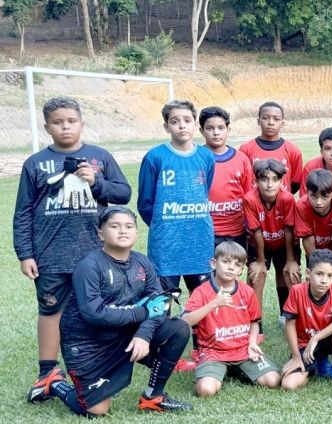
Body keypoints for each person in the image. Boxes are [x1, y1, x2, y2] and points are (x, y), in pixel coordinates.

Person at [17, 96, 132, 404]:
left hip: (94, 253)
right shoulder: (35, 163)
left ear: (82, 123)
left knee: (94, 308)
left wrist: (96, 182)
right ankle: (48, 372)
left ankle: (98, 362)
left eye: (71, 121)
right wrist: (25, 253)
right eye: (58, 122)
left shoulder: (100, 157)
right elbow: (23, 211)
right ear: (47, 127)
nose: (65, 126)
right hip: (50, 253)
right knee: (51, 309)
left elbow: (123, 193)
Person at [45, 206, 192, 416]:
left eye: (129, 226)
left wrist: (143, 334)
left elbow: (161, 303)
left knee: (178, 328)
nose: (123, 231)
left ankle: (153, 397)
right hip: (89, 343)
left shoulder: (142, 262)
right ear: (101, 233)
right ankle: (54, 382)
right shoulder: (89, 266)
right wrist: (142, 312)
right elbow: (94, 313)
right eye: (115, 226)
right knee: (96, 410)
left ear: (136, 232)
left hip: (126, 334)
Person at [137, 99, 216, 297]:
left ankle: (200, 330)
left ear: (195, 125)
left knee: (202, 296)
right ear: (166, 126)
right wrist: (165, 225)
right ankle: (166, 329)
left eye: (187, 120)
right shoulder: (155, 157)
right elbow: (145, 203)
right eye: (175, 121)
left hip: (199, 239)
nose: (182, 125)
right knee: (162, 298)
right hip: (166, 243)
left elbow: (204, 191)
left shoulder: (206, 157)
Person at [182, 240, 281, 397]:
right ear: (214, 263)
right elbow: (186, 320)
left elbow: (254, 322)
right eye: (226, 262)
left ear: (241, 269)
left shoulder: (247, 292)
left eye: (237, 264)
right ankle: (219, 369)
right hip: (213, 352)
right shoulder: (202, 291)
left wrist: (252, 344)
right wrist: (213, 304)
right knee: (205, 390)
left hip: (242, 350)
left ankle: (236, 369)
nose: (230, 267)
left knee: (273, 380)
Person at [280, 249, 332, 391]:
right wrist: (296, 357)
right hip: (304, 344)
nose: (324, 280)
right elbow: (289, 325)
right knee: (288, 385)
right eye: (319, 274)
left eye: (330, 276)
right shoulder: (297, 291)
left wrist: (316, 338)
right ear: (308, 274)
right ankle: (316, 363)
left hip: (327, 339)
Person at [243, 158, 299, 315]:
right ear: (256, 181)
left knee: (290, 274)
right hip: (259, 243)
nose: (270, 184)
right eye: (264, 179)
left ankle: (288, 316)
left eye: (275, 180)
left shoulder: (287, 198)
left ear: (281, 181)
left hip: (283, 244)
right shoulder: (250, 199)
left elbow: (289, 230)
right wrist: (260, 261)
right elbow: (256, 231)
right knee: (256, 275)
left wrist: (290, 260)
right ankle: (255, 323)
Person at [200, 106, 254, 250]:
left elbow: (249, 195)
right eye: (210, 128)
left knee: (232, 271)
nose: (216, 132)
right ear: (201, 131)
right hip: (205, 232)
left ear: (228, 130)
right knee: (209, 272)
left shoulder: (241, 159)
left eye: (221, 128)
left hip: (236, 231)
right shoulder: (196, 159)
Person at [238, 101, 304, 193]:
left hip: (282, 204)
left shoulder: (293, 151)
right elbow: (241, 179)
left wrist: (279, 195)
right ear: (258, 121)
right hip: (253, 204)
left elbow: (296, 182)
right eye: (265, 118)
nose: (271, 123)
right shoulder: (245, 149)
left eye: (276, 119)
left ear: (282, 123)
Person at [294, 168, 332, 261]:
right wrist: (316, 264)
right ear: (306, 191)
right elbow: (307, 238)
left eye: (324, 196)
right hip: (314, 251)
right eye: (313, 196)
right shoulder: (302, 206)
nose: (318, 202)